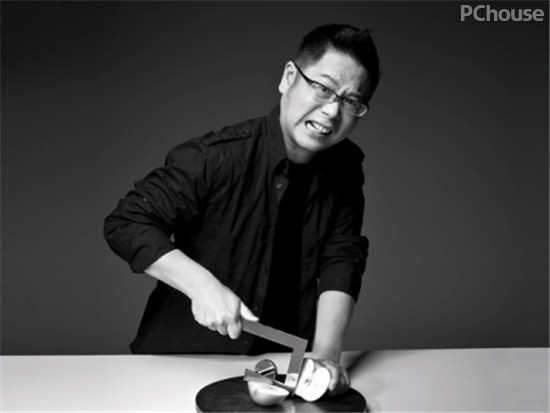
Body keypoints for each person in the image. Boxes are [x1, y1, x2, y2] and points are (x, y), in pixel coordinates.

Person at [104, 23, 380, 395]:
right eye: (323, 88)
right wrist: (202, 286)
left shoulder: (345, 168)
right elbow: (126, 222)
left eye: (350, 101)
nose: (332, 111)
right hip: (180, 362)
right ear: (288, 78)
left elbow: (341, 258)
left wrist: (326, 356)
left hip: (281, 368)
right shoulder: (216, 157)